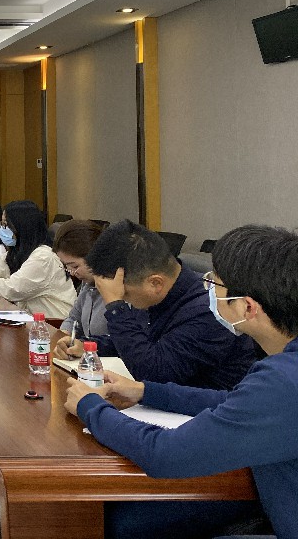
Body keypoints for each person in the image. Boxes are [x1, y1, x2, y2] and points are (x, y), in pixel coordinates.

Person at [65, 224, 298, 539]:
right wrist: (146, 392)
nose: (207, 288)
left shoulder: (282, 380)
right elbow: (235, 402)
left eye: (214, 283)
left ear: (247, 306)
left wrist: (91, 407)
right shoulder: (282, 375)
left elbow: (164, 454)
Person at [84, 219, 256, 390]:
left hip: (209, 405)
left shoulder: (209, 311)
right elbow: (140, 340)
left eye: (125, 294)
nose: (125, 300)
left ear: (155, 283)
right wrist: (88, 346)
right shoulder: (156, 295)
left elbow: (152, 374)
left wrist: (116, 307)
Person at [51, 220, 109, 359]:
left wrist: (85, 346)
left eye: (75, 266)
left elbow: (121, 342)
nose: (71, 273)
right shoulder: (87, 283)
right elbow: (74, 318)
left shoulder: (121, 288)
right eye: (67, 267)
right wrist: (64, 337)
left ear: (95, 257)